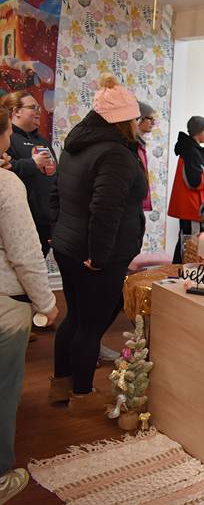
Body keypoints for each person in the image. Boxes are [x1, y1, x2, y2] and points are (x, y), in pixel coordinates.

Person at [49, 74, 148, 414]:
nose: (138, 124)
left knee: (74, 317)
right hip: (95, 252)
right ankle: (82, 394)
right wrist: (99, 256)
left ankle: (60, 387)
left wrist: (56, 232)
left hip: (69, 244)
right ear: (123, 120)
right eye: (135, 118)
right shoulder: (116, 154)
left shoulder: (76, 143)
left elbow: (57, 193)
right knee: (91, 324)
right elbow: (104, 211)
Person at [0, 105, 58, 504]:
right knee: (3, 394)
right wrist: (47, 303)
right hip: (4, 306)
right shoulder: (5, 185)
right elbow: (25, 253)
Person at [1, 91, 57, 256]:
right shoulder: (7, 139)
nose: (39, 111)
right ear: (16, 111)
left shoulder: (43, 141)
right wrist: (32, 164)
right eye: (33, 107)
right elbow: (5, 170)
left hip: (46, 223)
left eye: (39, 107)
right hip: (22, 222)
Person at [168, 116, 204, 263]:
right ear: (199, 132)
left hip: (190, 204)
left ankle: (179, 269)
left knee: (185, 240)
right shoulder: (192, 152)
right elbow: (194, 181)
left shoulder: (190, 149)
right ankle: (185, 272)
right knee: (191, 242)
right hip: (191, 205)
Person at [136, 101, 155, 212]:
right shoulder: (132, 146)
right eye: (150, 118)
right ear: (139, 118)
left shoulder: (140, 144)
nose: (153, 123)